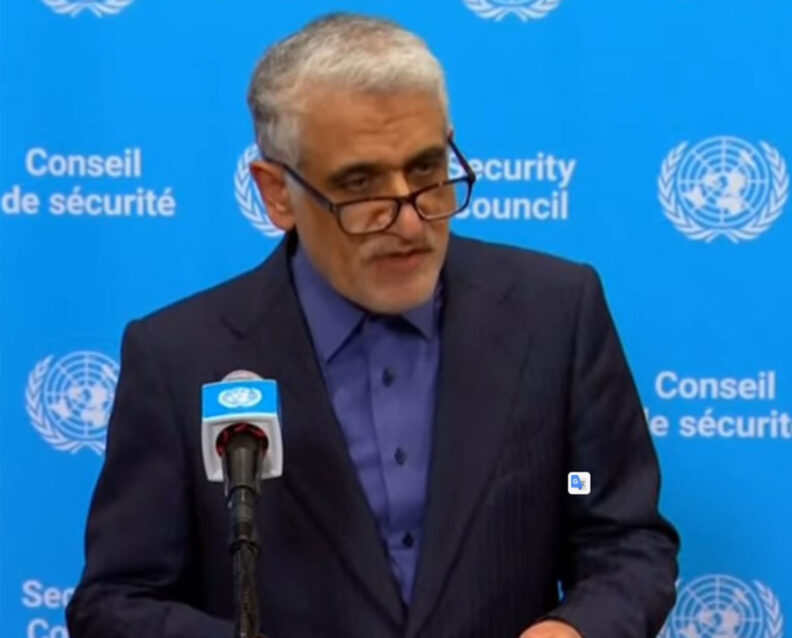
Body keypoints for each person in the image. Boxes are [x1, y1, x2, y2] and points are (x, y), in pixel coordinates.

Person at [66, 13, 678, 638]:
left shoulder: (555, 314)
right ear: (277, 194)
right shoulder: (181, 360)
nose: (409, 223)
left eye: (427, 171)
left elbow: (621, 538)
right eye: (359, 186)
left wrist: (576, 630)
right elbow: (117, 602)